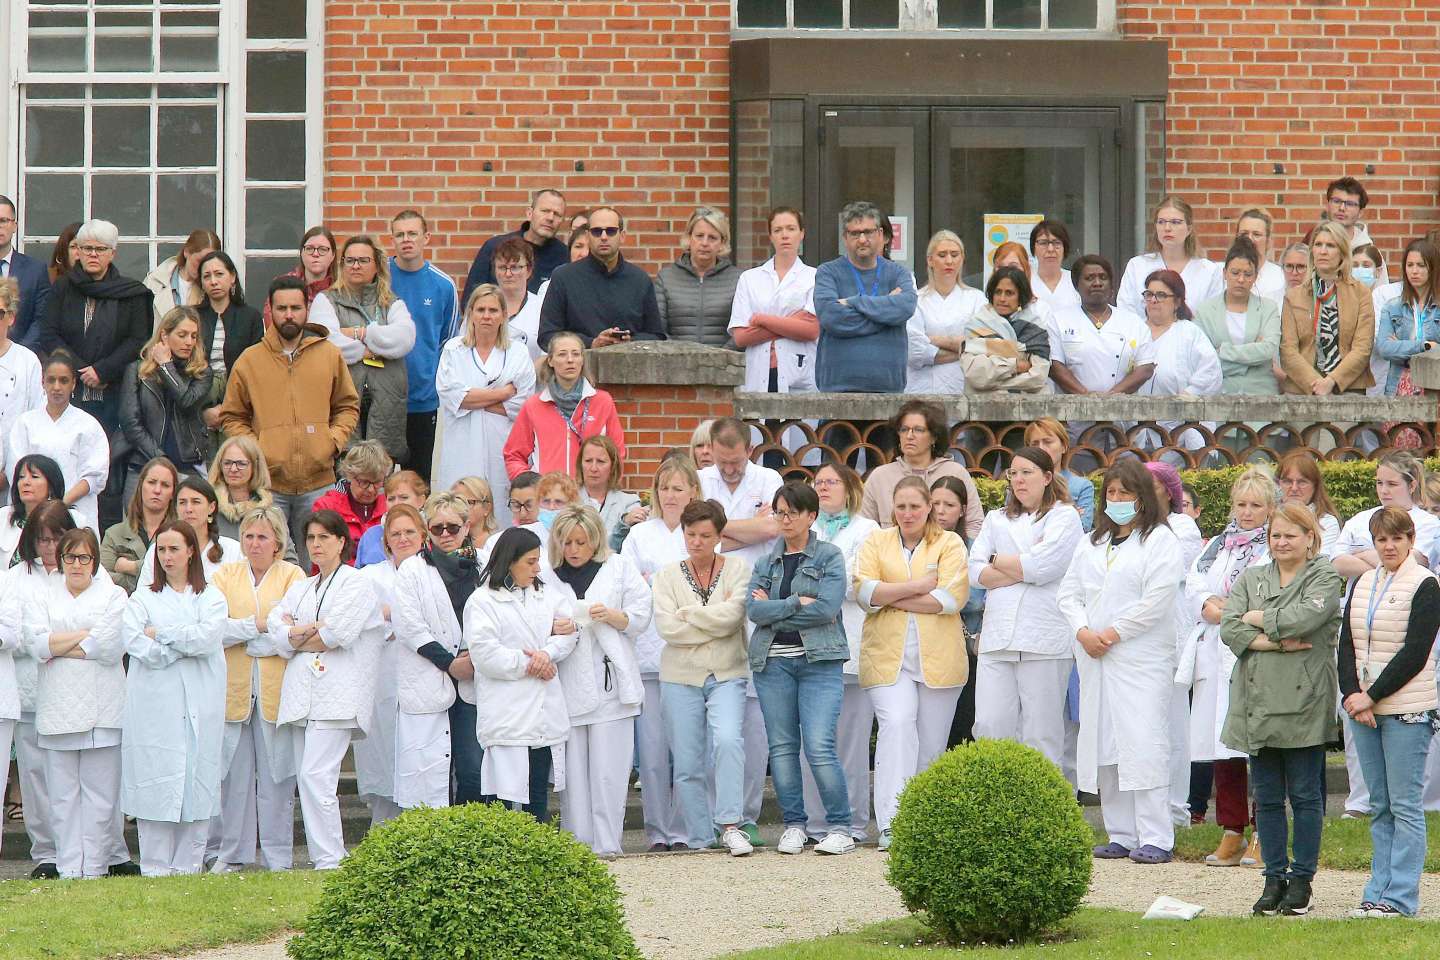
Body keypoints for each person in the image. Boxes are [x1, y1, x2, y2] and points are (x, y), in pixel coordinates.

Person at [1220, 503, 1342, 917]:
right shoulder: (1252, 577)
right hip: (1255, 702)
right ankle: (1273, 878)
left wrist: (1260, 618)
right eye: (1276, 535)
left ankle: (1301, 880)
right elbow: (1229, 626)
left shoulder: (1324, 575)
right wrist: (1272, 641)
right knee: (1266, 797)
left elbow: (1306, 617)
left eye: (1291, 534)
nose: (1282, 541)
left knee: (1306, 795)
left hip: (1304, 700)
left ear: (1310, 537)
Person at [1059, 459, 1182, 865]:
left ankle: (1156, 836)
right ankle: (1121, 833)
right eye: (1111, 493)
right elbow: (1069, 593)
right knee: (1103, 744)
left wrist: (1111, 634)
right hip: (1094, 658)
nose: (1117, 500)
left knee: (1142, 742)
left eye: (1126, 494)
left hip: (1138, 658)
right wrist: (1082, 631)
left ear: (1142, 497)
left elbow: (1156, 601)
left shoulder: (1160, 541)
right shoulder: (1091, 542)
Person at [856, 475, 969, 851]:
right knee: (898, 725)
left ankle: (924, 821)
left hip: (940, 659)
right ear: (893, 508)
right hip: (887, 658)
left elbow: (950, 600)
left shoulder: (949, 543)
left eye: (915, 506)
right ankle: (892, 822)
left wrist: (892, 595)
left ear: (929, 508)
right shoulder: (876, 540)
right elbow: (864, 592)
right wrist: (919, 587)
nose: (908, 513)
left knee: (932, 744)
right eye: (901, 506)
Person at [218, 275, 361, 569]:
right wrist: (257, 450)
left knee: (320, 561)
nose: (289, 315)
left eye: (296, 307)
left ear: (306, 308)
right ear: (270, 309)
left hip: (319, 481)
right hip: (269, 485)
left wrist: (331, 442)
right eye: (282, 308)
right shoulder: (250, 359)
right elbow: (232, 416)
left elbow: (347, 405)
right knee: (269, 561)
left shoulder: (328, 354)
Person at [268, 509, 384, 870]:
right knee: (310, 777)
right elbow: (276, 629)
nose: (316, 545)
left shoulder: (358, 582)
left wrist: (297, 634)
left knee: (316, 775)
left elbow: (338, 635)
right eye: (311, 539)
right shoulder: (302, 587)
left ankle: (330, 859)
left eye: (324, 538)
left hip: (339, 695)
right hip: (304, 696)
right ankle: (327, 856)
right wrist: (304, 631)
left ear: (341, 542)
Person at [1339, 507, 1439, 918]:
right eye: (1382, 539)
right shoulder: (1364, 581)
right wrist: (1351, 695)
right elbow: (1347, 642)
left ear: (1411, 540)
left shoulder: (1427, 584)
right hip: (1363, 709)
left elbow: (1415, 651)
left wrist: (1373, 695)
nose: (1389, 546)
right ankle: (1376, 891)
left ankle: (1399, 898)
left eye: (1397, 538)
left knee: (1404, 806)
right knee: (1378, 804)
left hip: (1406, 710)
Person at [745, 481, 854, 855]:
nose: (785, 519)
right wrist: (794, 603)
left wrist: (775, 610)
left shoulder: (829, 556)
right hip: (772, 663)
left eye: (792, 512)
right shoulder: (764, 561)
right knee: (783, 747)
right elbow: (753, 611)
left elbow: (826, 609)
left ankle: (840, 825)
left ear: (811, 516)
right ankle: (794, 824)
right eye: (780, 511)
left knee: (820, 745)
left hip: (819, 662)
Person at [120, 519, 229, 876]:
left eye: (174, 549)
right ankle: (153, 867)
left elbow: (207, 639)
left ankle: (189, 866)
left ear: (191, 552)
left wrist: (163, 634)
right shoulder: (142, 598)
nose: (167, 557)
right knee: (156, 778)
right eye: (162, 550)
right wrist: (174, 648)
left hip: (200, 700)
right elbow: (135, 642)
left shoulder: (210, 596)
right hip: (155, 704)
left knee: (196, 779)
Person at [1180, 467, 1275, 867]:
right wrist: (1207, 605)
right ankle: (1232, 830)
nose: (1247, 512)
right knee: (1222, 745)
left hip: (1252, 652)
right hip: (1214, 648)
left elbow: (1270, 594)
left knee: (1259, 746)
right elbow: (1194, 582)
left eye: (1256, 505)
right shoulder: (1218, 545)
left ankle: (1263, 832)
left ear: (1271, 508)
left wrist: (1232, 612)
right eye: (1241, 504)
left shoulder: (1275, 544)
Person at [21, 527, 128, 879]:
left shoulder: (113, 596)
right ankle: (69, 869)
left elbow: (109, 648)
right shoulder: (44, 593)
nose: (77, 564)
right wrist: (83, 637)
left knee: (99, 797)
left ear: (95, 561)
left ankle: (95, 868)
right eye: (70, 557)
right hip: (56, 708)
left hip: (103, 708)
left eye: (84, 557)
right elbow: (36, 645)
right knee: (63, 796)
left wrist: (59, 645)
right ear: (61, 559)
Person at [969, 446, 1083, 769]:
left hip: (1044, 638)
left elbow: (1045, 567)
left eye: (1027, 473)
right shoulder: (996, 519)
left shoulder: (1065, 517)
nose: (1018, 480)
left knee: (1042, 732)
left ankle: (1042, 813)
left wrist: (998, 563)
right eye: (1013, 473)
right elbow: (974, 572)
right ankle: (994, 808)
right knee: (990, 725)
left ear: (1047, 477)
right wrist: (1019, 569)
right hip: (998, 636)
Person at [207, 506, 306, 873]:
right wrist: (258, 627)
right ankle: (232, 853)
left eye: (262, 536)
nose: (254, 543)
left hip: (275, 692)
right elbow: (216, 629)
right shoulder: (225, 575)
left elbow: (292, 632)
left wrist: (252, 636)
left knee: (278, 777)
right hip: (233, 692)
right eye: (249, 535)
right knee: (234, 777)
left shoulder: (292, 576)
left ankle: (279, 857)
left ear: (278, 540)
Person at [653, 499, 754, 855]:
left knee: (728, 740)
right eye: (690, 533)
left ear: (719, 536)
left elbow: (734, 617)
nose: (696, 541)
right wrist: (713, 620)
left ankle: (729, 824)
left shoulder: (738, 568)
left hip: (727, 670)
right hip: (679, 675)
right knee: (687, 758)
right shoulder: (667, 576)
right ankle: (699, 838)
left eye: (705, 535)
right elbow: (668, 628)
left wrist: (691, 614)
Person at [549, 505, 650, 857]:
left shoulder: (618, 567)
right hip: (568, 685)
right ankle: (577, 845)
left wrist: (612, 616)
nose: (574, 549)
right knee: (574, 775)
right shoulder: (547, 575)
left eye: (581, 542)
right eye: (568, 542)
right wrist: (554, 628)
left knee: (610, 773)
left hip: (611, 685)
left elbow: (640, 614)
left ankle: (608, 844)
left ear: (595, 540)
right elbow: (532, 622)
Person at [35, 220, 151, 526]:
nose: (93, 255)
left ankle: (105, 534)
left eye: (100, 249)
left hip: (113, 394)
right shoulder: (64, 288)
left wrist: (102, 369)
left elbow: (138, 338)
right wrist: (76, 368)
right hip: (70, 391)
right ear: (78, 251)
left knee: (108, 468)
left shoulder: (131, 293)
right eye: (87, 248)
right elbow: (49, 331)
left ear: (113, 253)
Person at [465, 526, 577, 822]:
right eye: (530, 561)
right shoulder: (482, 601)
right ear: (510, 560)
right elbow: (485, 654)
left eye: (538, 560)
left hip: (541, 710)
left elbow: (567, 633)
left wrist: (546, 655)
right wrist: (529, 663)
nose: (537, 568)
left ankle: (537, 858)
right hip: (507, 712)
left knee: (537, 792)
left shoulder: (548, 596)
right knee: (502, 797)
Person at [792, 463, 878, 842]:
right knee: (810, 740)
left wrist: (816, 587)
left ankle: (854, 823)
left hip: (850, 646)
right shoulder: (801, 531)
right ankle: (814, 823)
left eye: (831, 482)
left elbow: (855, 584)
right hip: (806, 646)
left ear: (850, 487)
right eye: (819, 482)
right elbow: (791, 583)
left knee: (851, 742)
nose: (823, 487)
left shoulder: (867, 530)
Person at [621, 457, 700, 850]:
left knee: (685, 748)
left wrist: (662, 587)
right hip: (648, 655)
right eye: (665, 487)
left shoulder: (698, 534)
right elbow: (634, 589)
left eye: (678, 488)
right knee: (651, 754)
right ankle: (657, 831)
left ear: (693, 492)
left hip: (688, 655)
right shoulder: (640, 536)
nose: (671, 496)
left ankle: (686, 829)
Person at [6, 502, 82, 877]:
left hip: (72, 691)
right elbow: (17, 635)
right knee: (35, 777)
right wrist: (49, 640)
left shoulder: (79, 573)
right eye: (43, 539)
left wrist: (49, 640)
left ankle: (80, 849)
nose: (49, 547)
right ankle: (47, 852)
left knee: (71, 777)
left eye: (56, 538)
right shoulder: (17, 576)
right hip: (31, 691)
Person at [392, 494, 481, 806]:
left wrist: (475, 659)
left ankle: (473, 840)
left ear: (467, 526)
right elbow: (409, 626)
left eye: (453, 527)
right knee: (431, 774)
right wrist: (449, 664)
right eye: (437, 527)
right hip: (431, 676)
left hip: (475, 678)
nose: (445, 534)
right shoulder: (412, 570)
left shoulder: (482, 567)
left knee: (474, 770)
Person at [310, 236, 417, 464]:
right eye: (350, 260)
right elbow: (327, 344)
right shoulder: (326, 300)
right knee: (345, 482)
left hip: (387, 408)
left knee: (381, 484)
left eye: (363, 260)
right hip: (343, 405)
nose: (355, 266)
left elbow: (405, 339)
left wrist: (361, 333)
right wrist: (371, 348)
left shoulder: (392, 303)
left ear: (377, 265)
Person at [434, 284, 535, 522]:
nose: (487, 316)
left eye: (493, 310)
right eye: (480, 310)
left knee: (501, 508)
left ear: (503, 315)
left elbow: (522, 405)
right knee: (459, 509)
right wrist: (503, 393)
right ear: (470, 313)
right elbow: (451, 396)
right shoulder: (454, 350)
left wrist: (472, 399)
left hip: (502, 443)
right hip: (462, 444)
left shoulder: (518, 353)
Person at [1145, 459, 1207, 828]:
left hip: (1170, 635)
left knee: (1173, 724)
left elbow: (1161, 572)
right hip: (1138, 639)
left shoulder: (1182, 527)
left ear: (1168, 492)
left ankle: (1176, 808)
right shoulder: (1132, 527)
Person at [354, 504, 425, 823]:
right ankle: (383, 833)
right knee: (383, 760)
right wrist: (390, 621)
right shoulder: (370, 577)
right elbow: (360, 619)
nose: (403, 538)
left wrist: (392, 616)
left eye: (410, 531)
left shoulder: (434, 574)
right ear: (385, 541)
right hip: (382, 676)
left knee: (420, 758)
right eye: (395, 533)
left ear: (423, 535)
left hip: (424, 677)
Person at [814, 201, 918, 393]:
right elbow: (831, 317)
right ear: (845, 237)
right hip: (837, 392)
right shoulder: (827, 272)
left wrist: (854, 302)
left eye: (868, 232)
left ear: (880, 234)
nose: (862, 239)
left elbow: (906, 307)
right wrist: (886, 314)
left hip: (888, 391)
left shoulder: (898, 273)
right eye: (855, 233)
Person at [388, 210, 459, 479]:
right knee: (375, 480)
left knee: (419, 481)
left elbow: (448, 344)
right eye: (400, 234)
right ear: (392, 239)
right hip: (381, 398)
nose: (406, 240)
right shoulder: (378, 276)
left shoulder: (443, 285)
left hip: (423, 400)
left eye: (412, 234)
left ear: (426, 237)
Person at [7, 351, 109, 533]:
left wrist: (61, 504)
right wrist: (40, 505)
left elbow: (94, 476)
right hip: (31, 512)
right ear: (42, 382)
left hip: (75, 512)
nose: (56, 387)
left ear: (73, 384)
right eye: (51, 380)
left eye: (63, 380)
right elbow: (16, 470)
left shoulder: (88, 425)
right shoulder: (25, 423)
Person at [536, 206, 665, 350]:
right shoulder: (563, 277)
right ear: (588, 235)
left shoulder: (640, 280)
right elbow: (547, 336)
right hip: (579, 368)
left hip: (629, 367)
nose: (604, 237)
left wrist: (629, 342)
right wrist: (591, 343)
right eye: (597, 231)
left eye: (611, 231)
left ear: (622, 235)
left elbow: (657, 336)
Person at [118, 306, 216, 494]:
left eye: (194, 336)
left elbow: (186, 401)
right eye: (182, 335)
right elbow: (131, 422)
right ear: (164, 335)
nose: (189, 342)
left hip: (187, 467)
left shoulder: (202, 372)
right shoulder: (137, 371)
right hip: (144, 465)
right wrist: (161, 460)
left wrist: (165, 366)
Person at [503, 331, 622, 481]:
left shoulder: (603, 401)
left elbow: (617, 453)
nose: (570, 360)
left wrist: (602, 490)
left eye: (576, 354)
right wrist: (531, 486)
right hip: (549, 498)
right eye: (562, 354)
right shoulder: (533, 405)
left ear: (582, 360)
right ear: (550, 361)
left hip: (590, 499)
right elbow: (514, 455)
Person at [729, 206, 819, 405]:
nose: (784, 235)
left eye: (791, 229)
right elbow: (741, 337)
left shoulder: (815, 277)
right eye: (778, 230)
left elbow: (811, 330)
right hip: (759, 371)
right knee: (762, 433)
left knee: (799, 433)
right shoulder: (749, 278)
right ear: (770, 236)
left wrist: (763, 320)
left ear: (802, 233)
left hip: (797, 372)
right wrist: (791, 324)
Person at [858, 400, 981, 538]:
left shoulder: (956, 472)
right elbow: (863, 529)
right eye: (904, 430)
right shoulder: (880, 476)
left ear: (934, 437)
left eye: (918, 430)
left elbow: (974, 524)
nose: (909, 436)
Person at [1280, 220, 1376, 395]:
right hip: (1303, 388)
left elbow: (1362, 349)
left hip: (1348, 387)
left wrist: (1332, 381)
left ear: (1342, 252)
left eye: (1330, 245)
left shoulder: (1361, 293)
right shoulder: (1293, 296)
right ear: (1312, 251)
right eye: (1318, 245)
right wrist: (1316, 384)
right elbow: (1288, 351)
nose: (1323, 251)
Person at [1135, 270, 1223, 452]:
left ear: (1177, 302)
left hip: (1179, 433)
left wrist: (1188, 395)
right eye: (1149, 294)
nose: (1153, 300)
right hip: (1137, 431)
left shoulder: (1190, 333)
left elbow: (1210, 371)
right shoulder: (1134, 331)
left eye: (1161, 295)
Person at [1046, 255, 1155, 397]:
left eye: (1103, 277)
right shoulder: (1059, 320)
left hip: (1122, 411)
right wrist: (1088, 397)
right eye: (1089, 278)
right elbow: (1055, 367)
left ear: (1111, 284)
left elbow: (1145, 368)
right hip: (1073, 414)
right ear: (1076, 285)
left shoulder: (1133, 322)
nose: (1097, 283)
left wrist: (1110, 397)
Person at [1193, 237, 1283, 396]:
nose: (1241, 279)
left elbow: (1268, 350)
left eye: (1248, 274)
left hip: (1262, 397)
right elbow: (1202, 361)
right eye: (1235, 273)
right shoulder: (1205, 311)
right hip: (1220, 395)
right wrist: (1253, 359)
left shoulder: (1268, 308)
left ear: (1256, 277)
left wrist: (1223, 351)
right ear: (1224, 273)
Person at [904, 230, 985, 394]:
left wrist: (935, 340)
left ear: (962, 259)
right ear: (930, 260)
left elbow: (983, 345)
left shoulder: (977, 299)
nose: (949, 260)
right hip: (922, 390)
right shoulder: (916, 300)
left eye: (954, 255)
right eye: (942, 255)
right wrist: (963, 349)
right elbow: (915, 352)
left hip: (962, 388)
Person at [461, 189, 569, 308]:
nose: (550, 218)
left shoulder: (564, 256)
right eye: (545, 211)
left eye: (557, 214)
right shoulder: (496, 247)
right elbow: (471, 299)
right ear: (529, 213)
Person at [1117, 197, 1223, 318]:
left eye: (1175, 222)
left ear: (1189, 229)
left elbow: (1213, 318)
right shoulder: (1137, 266)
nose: (1167, 228)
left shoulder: (1209, 271)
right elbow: (1125, 313)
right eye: (1161, 222)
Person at [134, 476, 241, 592]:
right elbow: (142, 596)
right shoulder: (159, 549)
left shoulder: (233, 550)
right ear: (176, 508)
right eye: (182, 502)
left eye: (196, 502)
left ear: (211, 507)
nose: (188, 509)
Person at [655, 208, 740, 347]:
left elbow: (742, 331)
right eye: (699, 235)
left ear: (722, 243)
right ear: (689, 238)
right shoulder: (666, 278)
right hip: (676, 364)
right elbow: (658, 330)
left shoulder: (739, 279)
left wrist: (720, 358)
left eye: (712, 237)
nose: (705, 243)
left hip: (725, 365)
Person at [959, 266, 1052, 393]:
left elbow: (1038, 378)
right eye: (998, 292)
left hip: (1027, 408)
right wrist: (1015, 366)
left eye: (1009, 293)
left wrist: (994, 380)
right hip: (984, 407)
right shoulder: (977, 326)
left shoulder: (1034, 329)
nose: (1002, 298)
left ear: (1021, 296)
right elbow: (975, 375)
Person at [100, 456, 177, 594]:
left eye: (165, 485)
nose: (157, 490)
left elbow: (179, 577)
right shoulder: (113, 534)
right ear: (141, 485)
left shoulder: (181, 534)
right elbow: (104, 580)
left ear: (173, 493)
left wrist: (131, 567)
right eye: (152, 482)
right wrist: (150, 579)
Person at [1375, 239, 1440, 397]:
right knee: (1402, 423)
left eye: (1421, 265)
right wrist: (1425, 346)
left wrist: (1400, 345)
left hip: (1434, 385)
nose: (1414, 271)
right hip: (1399, 387)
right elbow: (1384, 348)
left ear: (1433, 268)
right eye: (1410, 265)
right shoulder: (1392, 307)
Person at [312, 440, 392, 556]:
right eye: (364, 482)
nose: (370, 489)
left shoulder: (391, 506)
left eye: (377, 482)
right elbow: (322, 556)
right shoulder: (326, 508)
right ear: (349, 475)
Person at [194, 251, 265, 378]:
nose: (213, 281)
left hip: (239, 389)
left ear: (232, 277)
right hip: (198, 390)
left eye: (219, 274)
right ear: (202, 283)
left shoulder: (250, 317)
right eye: (206, 276)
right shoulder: (192, 316)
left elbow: (257, 362)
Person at [0, 277, 45, 465]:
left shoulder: (27, 361)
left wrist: (11, 470)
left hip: (17, 470)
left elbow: (37, 419)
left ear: (11, 317)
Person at [1023, 418, 1094, 530]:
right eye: (1035, 444)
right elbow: (1012, 528)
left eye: (1048, 442)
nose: (1041, 448)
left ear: (1064, 446)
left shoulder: (1082, 486)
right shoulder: (1020, 483)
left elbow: (1082, 528)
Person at [209, 435, 280, 545]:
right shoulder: (208, 505)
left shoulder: (271, 509)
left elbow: (287, 555)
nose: (233, 469)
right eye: (227, 463)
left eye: (241, 463)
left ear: (255, 466)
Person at [262, 226, 338, 328]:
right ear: (302, 253)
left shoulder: (340, 290)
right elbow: (272, 325)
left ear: (333, 255)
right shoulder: (283, 285)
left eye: (323, 249)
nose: (315, 254)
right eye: (310, 249)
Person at [142, 229, 220, 328]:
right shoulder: (154, 282)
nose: (203, 268)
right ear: (186, 252)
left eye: (208, 262)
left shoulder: (215, 289)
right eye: (199, 261)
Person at [1, 455, 70, 567]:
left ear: (51, 486)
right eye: (21, 477)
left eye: (34, 476)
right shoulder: (3, 516)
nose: (25, 482)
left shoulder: (71, 519)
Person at [0, 195, 51, 343]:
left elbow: (41, 320)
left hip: (22, 359)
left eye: (3, 220)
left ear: (15, 226)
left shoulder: (36, 270)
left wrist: (18, 355)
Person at [355, 470, 429, 568]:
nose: (396, 503)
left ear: (421, 501)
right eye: (391, 499)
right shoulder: (371, 535)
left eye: (403, 497)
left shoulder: (435, 532)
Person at [1276, 450, 1341, 556]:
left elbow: (1319, 564)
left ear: (1315, 486)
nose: (1294, 488)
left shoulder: (1326, 523)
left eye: (1302, 482)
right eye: (1287, 481)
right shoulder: (1268, 517)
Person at [576, 435, 640, 541]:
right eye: (588, 461)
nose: (593, 468)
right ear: (580, 464)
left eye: (601, 461)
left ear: (613, 466)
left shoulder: (629, 503)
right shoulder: (566, 500)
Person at [490, 238, 545, 360]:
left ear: (529, 270)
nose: (508, 274)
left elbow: (547, 355)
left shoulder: (542, 308)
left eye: (515, 267)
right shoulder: (482, 307)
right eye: (502, 267)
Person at [1231, 209, 1287, 304]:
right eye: (1244, 233)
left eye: (1256, 234)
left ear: (1268, 241)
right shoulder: (1220, 275)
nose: (1249, 239)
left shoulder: (1281, 277)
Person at [1030, 219, 1080, 311]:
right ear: (1033, 247)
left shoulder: (1076, 281)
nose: (1050, 249)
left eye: (1056, 243)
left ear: (1065, 247)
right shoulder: (1025, 281)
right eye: (1043, 243)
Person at [1316, 175, 1376, 251]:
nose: (1342, 208)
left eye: (1350, 204)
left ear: (1360, 212)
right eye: (1336, 201)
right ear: (1327, 205)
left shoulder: (1368, 252)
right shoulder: (1313, 238)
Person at [451, 475, 497, 558]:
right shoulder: (445, 539)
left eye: (470, 502)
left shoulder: (497, 543)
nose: (462, 507)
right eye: (458, 501)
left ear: (486, 508)